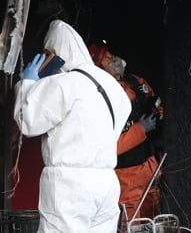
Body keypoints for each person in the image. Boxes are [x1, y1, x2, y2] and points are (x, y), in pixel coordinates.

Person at [13, 20, 131, 232]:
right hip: (106, 181)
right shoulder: (111, 85)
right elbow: (122, 114)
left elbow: (27, 120)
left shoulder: (65, 82)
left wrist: (28, 84)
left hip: (69, 184)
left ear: (57, 54)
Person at [88, 44, 163, 220]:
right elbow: (106, 147)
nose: (112, 58)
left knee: (154, 219)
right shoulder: (98, 97)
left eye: (110, 54)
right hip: (126, 176)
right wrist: (140, 129)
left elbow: (155, 102)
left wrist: (157, 113)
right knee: (132, 223)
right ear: (98, 68)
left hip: (151, 167)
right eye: (105, 58)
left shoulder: (135, 82)